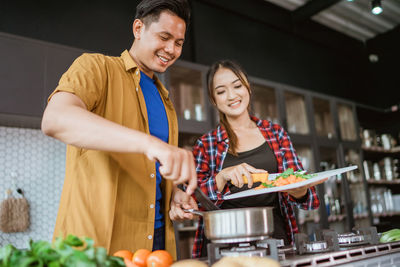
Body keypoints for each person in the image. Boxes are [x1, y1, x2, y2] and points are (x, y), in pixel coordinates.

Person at [41, 0, 197, 258]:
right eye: (164, 37)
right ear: (138, 28)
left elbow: (150, 174)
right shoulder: (96, 67)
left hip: (157, 245)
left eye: (178, 43)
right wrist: (150, 143)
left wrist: (173, 196)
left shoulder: (165, 100)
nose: (171, 49)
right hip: (96, 248)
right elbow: (55, 118)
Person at [189, 60, 324, 258]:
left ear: (248, 88)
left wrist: (300, 190)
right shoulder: (206, 144)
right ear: (213, 99)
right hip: (225, 246)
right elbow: (193, 202)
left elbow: (309, 200)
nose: (232, 96)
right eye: (221, 91)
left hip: (275, 241)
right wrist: (222, 177)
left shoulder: (276, 133)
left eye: (237, 86)